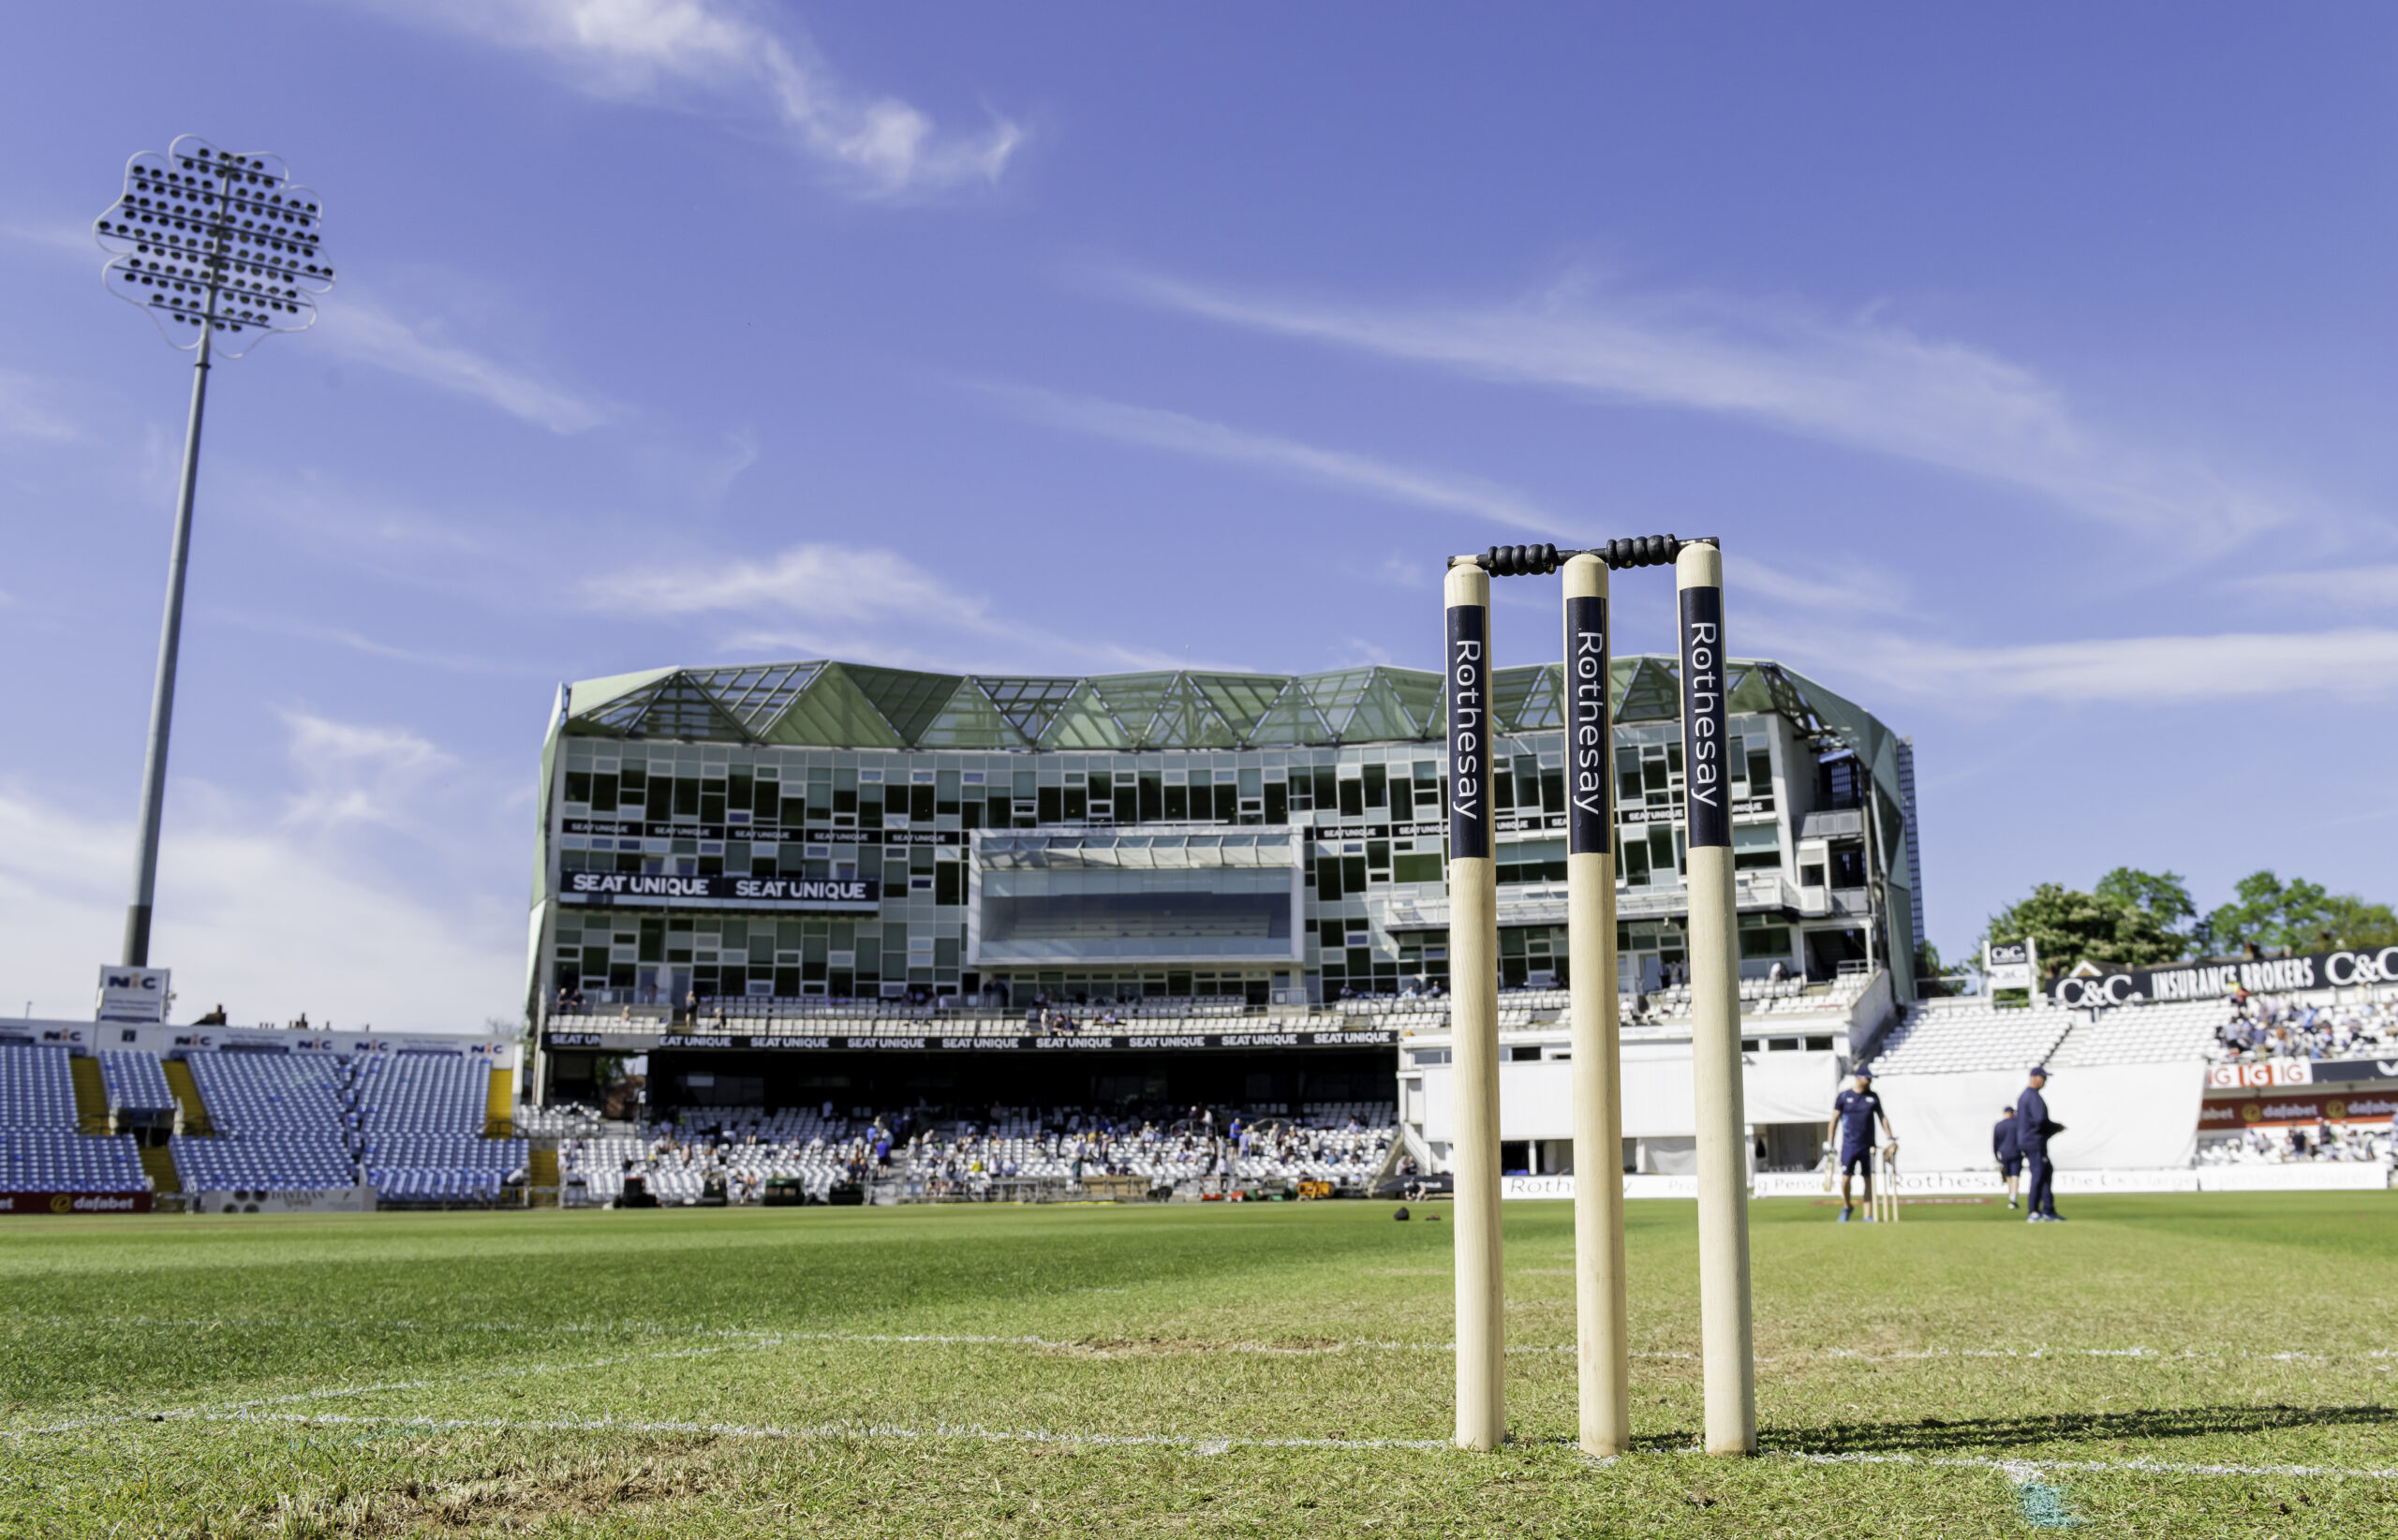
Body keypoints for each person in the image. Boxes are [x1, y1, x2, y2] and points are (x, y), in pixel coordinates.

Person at [1827, 1068, 1894, 1222]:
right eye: (1867, 1078)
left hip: (1868, 1146)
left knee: (1868, 1179)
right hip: (1849, 1145)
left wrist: (1890, 1138)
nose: (1870, 1081)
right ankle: (1847, 1206)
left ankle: (1867, 1215)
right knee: (1845, 1179)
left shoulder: (1873, 1097)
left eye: (1871, 1079)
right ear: (1858, 1078)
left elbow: (1882, 1117)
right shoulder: (1844, 1096)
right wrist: (1829, 1141)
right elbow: (1834, 1120)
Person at [2017, 1066, 2064, 1222]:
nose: (2045, 1081)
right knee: (2038, 1174)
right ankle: (2034, 1211)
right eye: (2044, 1078)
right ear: (2035, 1078)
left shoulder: (2026, 1095)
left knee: (2045, 1172)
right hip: (2034, 1141)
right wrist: (2055, 1127)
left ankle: (2047, 1210)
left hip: (2029, 1140)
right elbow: (2039, 1120)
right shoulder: (2032, 1096)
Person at [1993, 1104, 2023, 1209]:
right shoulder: (2017, 1124)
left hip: (2003, 1154)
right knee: (2015, 1175)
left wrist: (1996, 1155)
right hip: (2016, 1153)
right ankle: (2013, 1198)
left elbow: (1995, 1142)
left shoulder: (1998, 1125)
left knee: (2009, 1176)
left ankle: (2011, 1196)